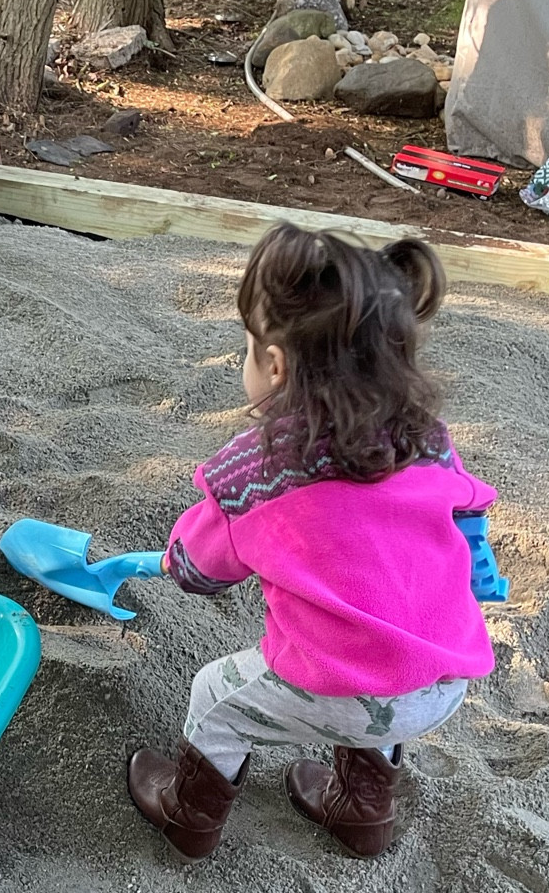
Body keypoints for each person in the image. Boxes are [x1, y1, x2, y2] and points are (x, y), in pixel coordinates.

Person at [128, 224, 497, 859]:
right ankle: (362, 810)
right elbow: (468, 505)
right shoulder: (426, 438)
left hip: (347, 691)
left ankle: (189, 816)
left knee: (216, 697)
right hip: (443, 679)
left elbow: (201, 570)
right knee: (382, 667)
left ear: (273, 365)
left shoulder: (256, 474)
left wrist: (176, 556)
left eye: (249, 350)